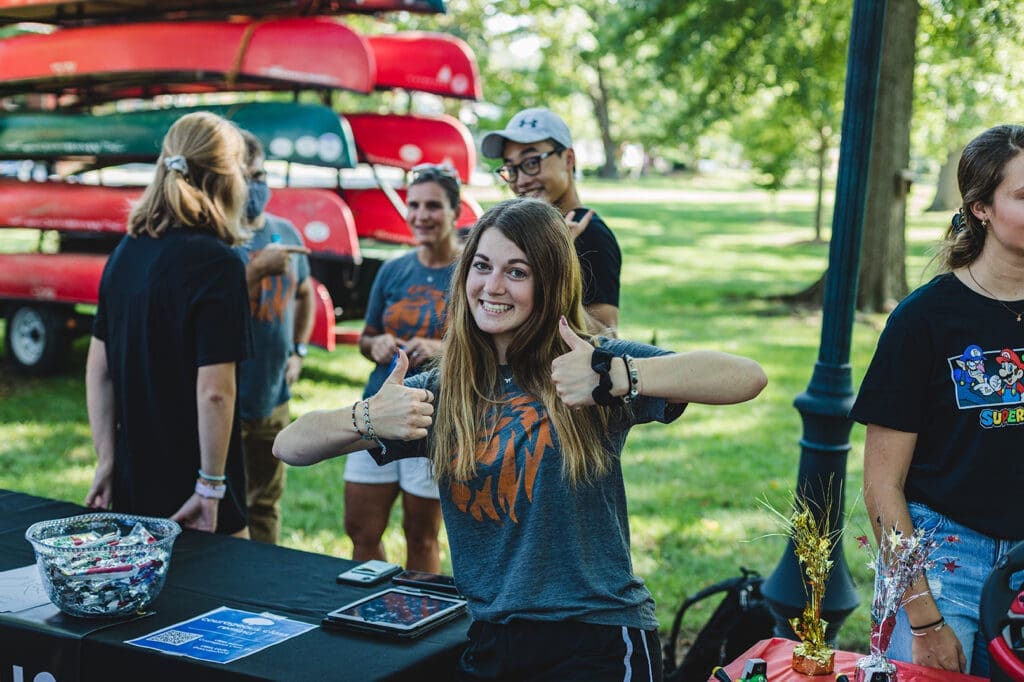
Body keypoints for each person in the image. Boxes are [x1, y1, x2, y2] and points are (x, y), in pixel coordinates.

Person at [274, 197, 766, 681]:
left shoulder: (588, 364)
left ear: (549, 282)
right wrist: (368, 417)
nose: (492, 286)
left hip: (596, 634)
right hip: (493, 638)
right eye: (482, 266)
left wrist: (618, 375)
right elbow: (290, 445)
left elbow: (746, 377)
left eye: (517, 271)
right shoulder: (447, 389)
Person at [851, 124, 1024, 677]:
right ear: (980, 208)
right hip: (945, 562)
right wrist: (923, 620)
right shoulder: (922, 320)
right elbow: (882, 486)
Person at [85, 111, 252, 535]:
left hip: (132, 481)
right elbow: (215, 392)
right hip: (196, 492)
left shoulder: (125, 252)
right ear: (226, 177)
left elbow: (98, 371)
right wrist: (211, 487)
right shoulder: (218, 264)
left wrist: (107, 459)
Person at [343, 164, 462, 572]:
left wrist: (441, 347)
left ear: (455, 211)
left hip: (433, 418)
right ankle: (372, 608)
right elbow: (366, 336)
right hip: (376, 410)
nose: (421, 215)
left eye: (433, 205)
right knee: (360, 529)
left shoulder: (471, 272)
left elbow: (492, 348)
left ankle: (420, 619)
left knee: (421, 536)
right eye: (413, 205)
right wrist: (373, 343)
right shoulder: (393, 269)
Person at [234, 129, 314, 544]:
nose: (256, 187)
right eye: (247, 177)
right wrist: (256, 269)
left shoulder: (286, 232)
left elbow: (306, 294)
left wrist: (298, 351)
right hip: (223, 402)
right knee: (224, 510)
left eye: (261, 175)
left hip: (272, 395)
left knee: (264, 504)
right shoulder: (218, 240)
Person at [481, 107, 622, 332]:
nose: (522, 181)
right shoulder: (523, 230)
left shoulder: (590, 235)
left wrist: (557, 257)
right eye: (511, 169)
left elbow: (607, 334)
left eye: (531, 163)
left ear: (568, 159)